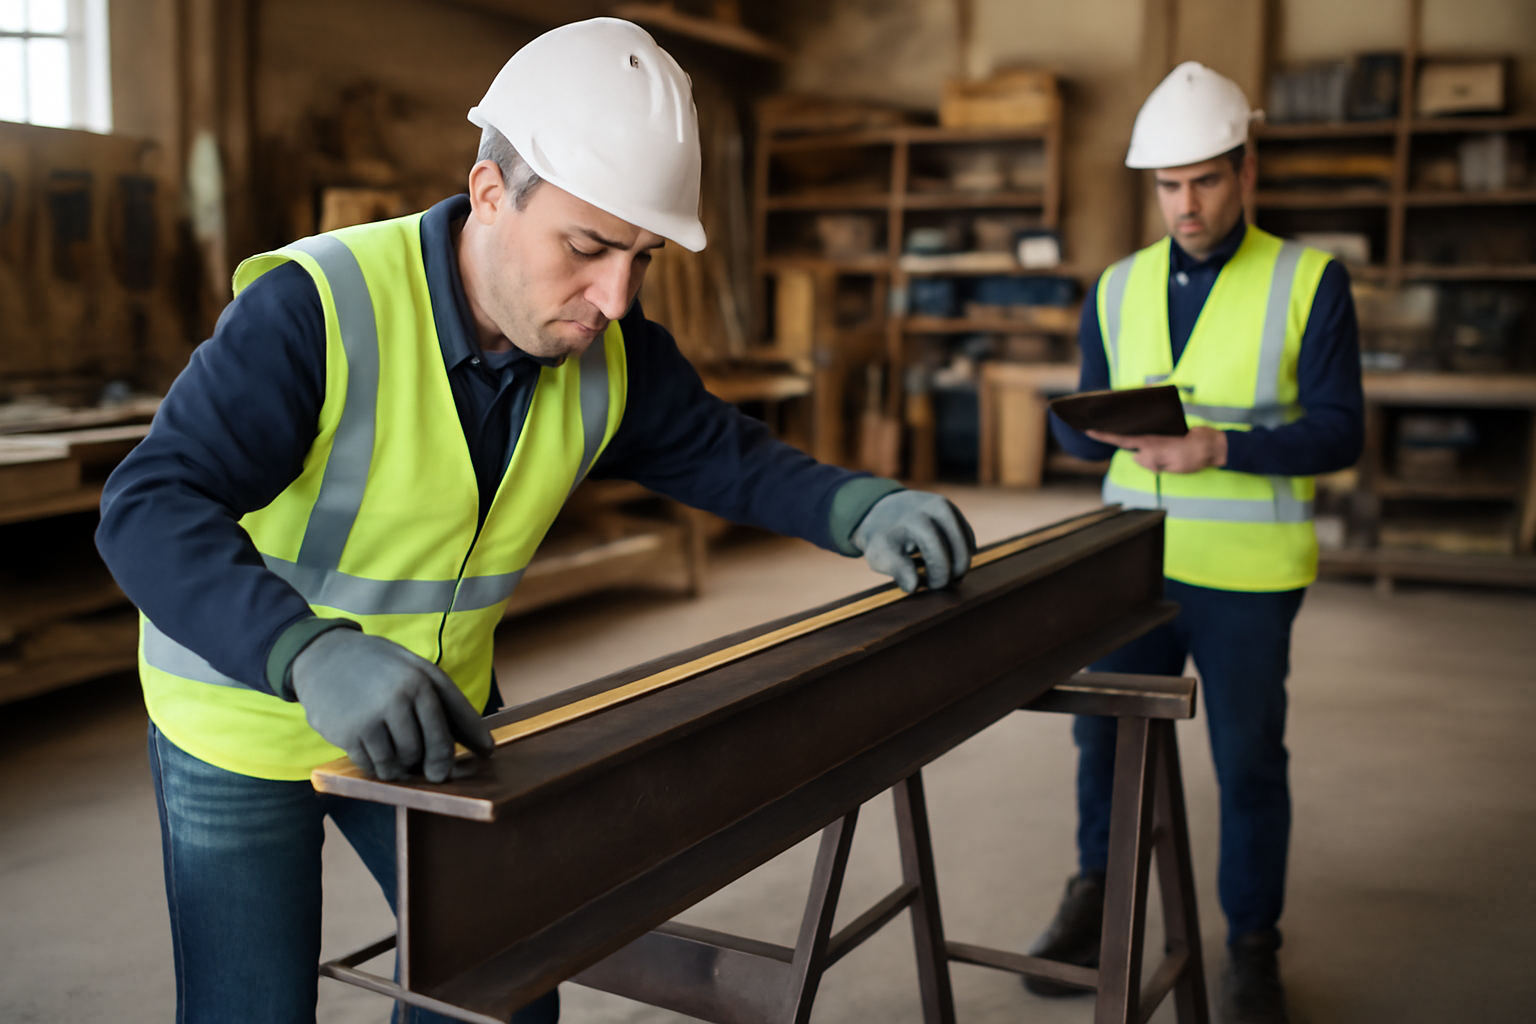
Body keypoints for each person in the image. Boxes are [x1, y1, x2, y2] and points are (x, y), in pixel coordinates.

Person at [95, 19, 973, 1024]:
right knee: (247, 1009)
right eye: (590, 247)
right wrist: (307, 653)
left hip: (434, 714)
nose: (614, 296)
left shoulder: (611, 348)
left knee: (500, 995)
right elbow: (148, 506)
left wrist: (859, 506)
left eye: (641, 257)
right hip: (240, 715)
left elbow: (719, 453)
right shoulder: (317, 309)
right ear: (489, 194)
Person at [1029, 63, 1363, 1024]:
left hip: (1251, 573)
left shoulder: (1310, 281)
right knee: (1102, 739)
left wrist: (1221, 445)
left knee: (1249, 759)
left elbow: (1341, 431)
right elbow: (1072, 426)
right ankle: (1094, 895)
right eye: (1169, 185)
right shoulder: (1118, 285)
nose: (1187, 204)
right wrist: (1084, 424)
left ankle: (1253, 948)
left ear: (1245, 170)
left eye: (1206, 180)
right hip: (1128, 557)